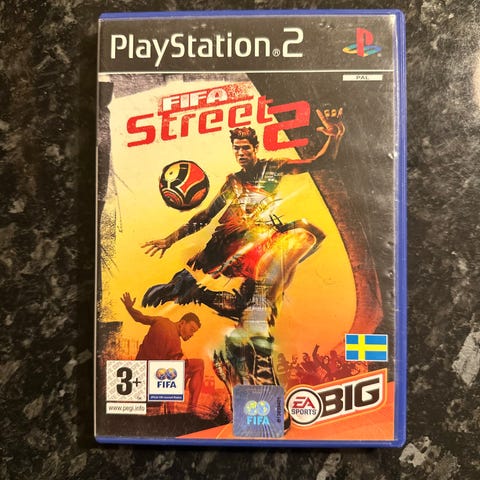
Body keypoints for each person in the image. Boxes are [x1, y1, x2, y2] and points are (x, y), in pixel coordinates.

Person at [141, 108, 345, 387]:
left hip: (259, 243)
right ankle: (247, 347)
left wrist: (334, 136)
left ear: (255, 149)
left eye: (245, 148)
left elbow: (319, 162)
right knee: (262, 295)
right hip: (231, 243)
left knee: (303, 239)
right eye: (237, 149)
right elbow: (205, 216)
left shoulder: (274, 167)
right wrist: (170, 239)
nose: (241, 153)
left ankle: (238, 348)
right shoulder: (233, 181)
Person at [120, 292, 204, 412]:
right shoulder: (175, 342)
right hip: (152, 383)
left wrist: (129, 307)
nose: (191, 334)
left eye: (194, 332)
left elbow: (139, 317)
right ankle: (191, 409)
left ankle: (174, 410)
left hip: (138, 376)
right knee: (199, 365)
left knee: (179, 367)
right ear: (182, 323)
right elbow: (178, 367)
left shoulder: (161, 320)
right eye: (191, 330)